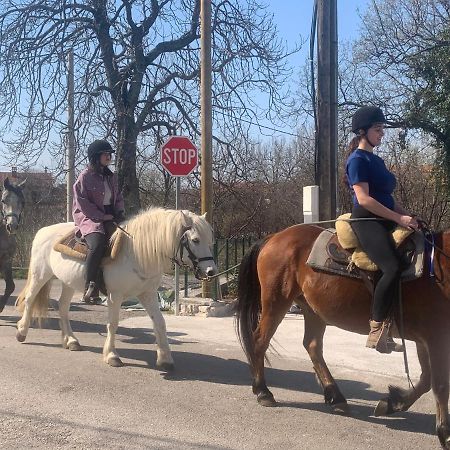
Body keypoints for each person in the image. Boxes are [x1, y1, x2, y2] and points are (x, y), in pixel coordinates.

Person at [345, 106, 419, 353]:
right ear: (363, 132)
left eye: (382, 129)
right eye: (378, 130)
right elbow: (364, 199)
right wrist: (398, 217)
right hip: (367, 221)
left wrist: (405, 216)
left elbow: (387, 196)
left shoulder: (377, 160)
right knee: (392, 266)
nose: (382, 134)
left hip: (385, 217)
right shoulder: (357, 160)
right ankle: (376, 329)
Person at [73, 140, 125, 304]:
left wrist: (120, 212)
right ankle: (90, 287)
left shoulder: (111, 177)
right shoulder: (84, 177)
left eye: (110, 154)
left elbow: (118, 198)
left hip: (111, 214)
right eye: (105, 154)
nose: (109, 157)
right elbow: (84, 204)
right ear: (96, 157)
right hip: (89, 217)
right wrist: (104, 217)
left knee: (125, 238)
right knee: (97, 243)